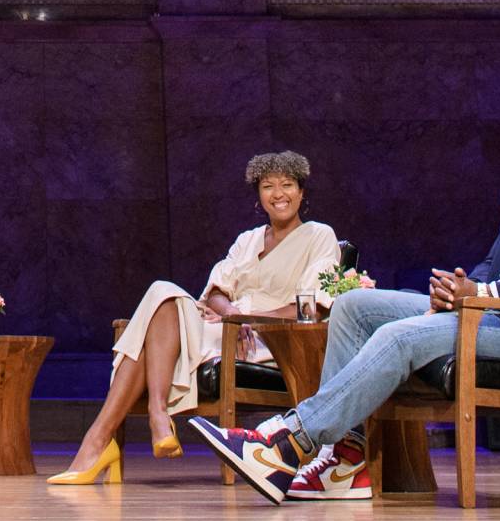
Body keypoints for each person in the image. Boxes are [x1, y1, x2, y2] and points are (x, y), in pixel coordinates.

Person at [192, 95, 500, 504]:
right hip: (492, 313)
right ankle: (347, 463)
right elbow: (495, 263)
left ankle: (286, 442)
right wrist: (461, 288)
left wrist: (484, 293)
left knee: (401, 335)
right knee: (353, 305)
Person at [48, 152, 342, 485]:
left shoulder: (319, 236)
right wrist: (232, 314)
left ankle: (104, 441)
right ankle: (154, 417)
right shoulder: (247, 240)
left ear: (301, 192)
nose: (278, 194)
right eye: (268, 186)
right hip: (226, 327)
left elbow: (311, 307)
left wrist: (247, 319)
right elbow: (215, 293)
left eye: (287, 185)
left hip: (266, 339)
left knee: (150, 327)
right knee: (163, 293)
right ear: (259, 196)